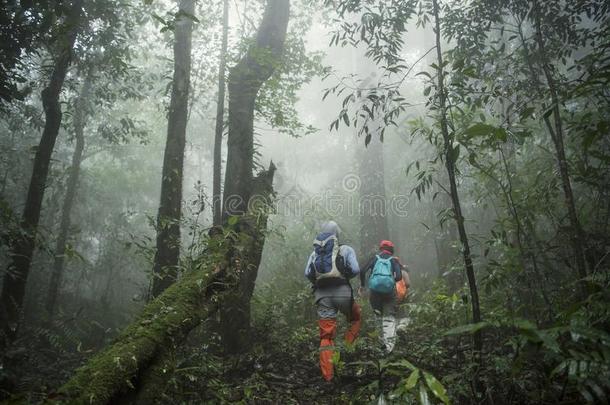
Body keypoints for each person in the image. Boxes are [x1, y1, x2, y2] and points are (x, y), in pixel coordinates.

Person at [304, 221, 361, 381]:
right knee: (355, 318)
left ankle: (328, 376)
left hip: (322, 296)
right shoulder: (346, 249)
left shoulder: (315, 253)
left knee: (326, 337)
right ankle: (346, 350)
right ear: (337, 234)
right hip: (343, 293)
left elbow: (307, 273)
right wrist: (344, 275)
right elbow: (356, 269)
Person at [359, 240, 402, 353]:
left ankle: (379, 345)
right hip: (389, 293)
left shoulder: (375, 258)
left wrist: (363, 286)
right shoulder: (394, 260)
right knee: (389, 317)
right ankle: (389, 348)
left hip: (375, 292)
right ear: (391, 250)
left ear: (381, 248)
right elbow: (398, 277)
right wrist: (390, 280)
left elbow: (362, 271)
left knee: (377, 315)